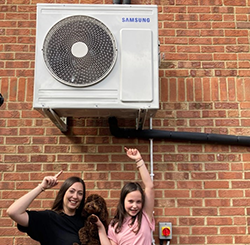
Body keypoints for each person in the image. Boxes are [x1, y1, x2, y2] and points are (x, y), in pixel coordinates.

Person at [7, 170, 86, 245]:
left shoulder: (87, 221)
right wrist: (41, 187)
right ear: (63, 193)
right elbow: (13, 212)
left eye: (80, 193)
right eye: (71, 191)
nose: (75, 196)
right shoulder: (48, 219)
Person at [96, 147, 155, 245]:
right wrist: (100, 228)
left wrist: (138, 160)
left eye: (138, 201)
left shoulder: (145, 215)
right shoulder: (114, 226)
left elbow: (150, 186)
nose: (135, 205)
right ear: (123, 201)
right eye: (131, 201)